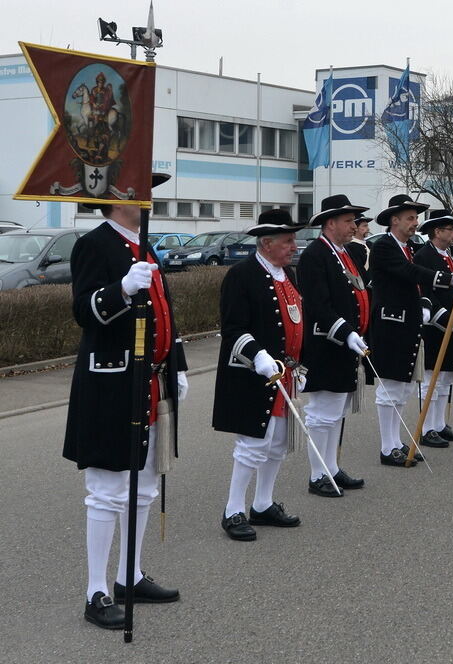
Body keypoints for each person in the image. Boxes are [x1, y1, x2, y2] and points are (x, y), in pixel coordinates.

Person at [66, 174, 187, 629]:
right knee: (107, 491)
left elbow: (164, 316)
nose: (151, 197)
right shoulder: (95, 244)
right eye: (143, 189)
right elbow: (83, 311)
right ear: (119, 200)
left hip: (151, 383)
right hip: (111, 384)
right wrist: (121, 290)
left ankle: (129, 575)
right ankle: (96, 591)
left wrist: (176, 367)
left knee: (145, 486)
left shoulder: (146, 244)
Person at [213, 209, 304, 541]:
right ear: (266, 243)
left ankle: (263, 503)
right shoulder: (242, 275)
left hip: (285, 374)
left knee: (277, 444)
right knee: (253, 444)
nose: (294, 246)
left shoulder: (289, 274)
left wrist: (300, 364)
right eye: (288, 241)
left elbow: (297, 324)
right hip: (253, 374)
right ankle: (233, 508)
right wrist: (259, 355)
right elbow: (233, 328)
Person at [368, 194, 453, 465]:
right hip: (390, 325)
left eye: (416, 218)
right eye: (410, 218)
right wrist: (448, 280)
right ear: (395, 220)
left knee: (401, 390)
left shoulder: (408, 247)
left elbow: (415, 287)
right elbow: (409, 273)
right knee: (389, 389)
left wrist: (426, 303)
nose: (416, 223)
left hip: (407, 324)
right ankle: (386, 446)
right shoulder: (384, 247)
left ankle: (395, 442)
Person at [298, 194, 372, 497]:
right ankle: (318, 474)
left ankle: (332, 466)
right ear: (330, 223)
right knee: (321, 412)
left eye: (354, 221)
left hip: (344, 343)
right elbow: (317, 304)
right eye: (348, 221)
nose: (354, 226)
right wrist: (344, 331)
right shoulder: (316, 255)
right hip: (325, 344)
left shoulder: (343, 253)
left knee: (336, 410)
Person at [413, 209, 453, 447]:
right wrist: (446, 319)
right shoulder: (425, 255)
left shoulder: (446, 254)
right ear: (437, 231)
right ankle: (426, 429)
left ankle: (438, 424)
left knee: (445, 378)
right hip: (435, 325)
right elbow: (426, 292)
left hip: (451, 323)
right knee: (430, 379)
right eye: (450, 229)